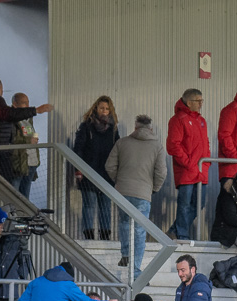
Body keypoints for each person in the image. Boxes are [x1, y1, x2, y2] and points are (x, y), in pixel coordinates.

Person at [102, 113, 170, 268]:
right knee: (139, 230)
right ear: (150, 129)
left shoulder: (122, 143)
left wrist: (119, 182)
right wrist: (154, 188)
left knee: (125, 222)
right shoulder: (157, 146)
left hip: (123, 192)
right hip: (143, 193)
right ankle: (136, 266)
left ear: (135, 127)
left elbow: (109, 166)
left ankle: (125, 254)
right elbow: (161, 172)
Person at [71, 95, 121, 240]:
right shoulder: (86, 126)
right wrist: (78, 169)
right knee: (89, 204)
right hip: (88, 172)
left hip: (107, 174)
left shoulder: (113, 129)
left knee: (105, 206)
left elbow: (118, 150)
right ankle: (89, 235)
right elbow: (78, 148)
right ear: (96, 108)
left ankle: (105, 235)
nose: (104, 111)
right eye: (101, 108)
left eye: (107, 109)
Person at [167, 88, 211, 240]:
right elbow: (173, 145)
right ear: (189, 102)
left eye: (201, 101)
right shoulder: (178, 119)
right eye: (198, 101)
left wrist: (207, 162)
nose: (201, 104)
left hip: (201, 170)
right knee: (184, 205)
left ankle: (175, 229)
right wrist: (188, 163)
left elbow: (206, 143)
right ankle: (182, 235)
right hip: (186, 170)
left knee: (199, 204)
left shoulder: (201, 121)